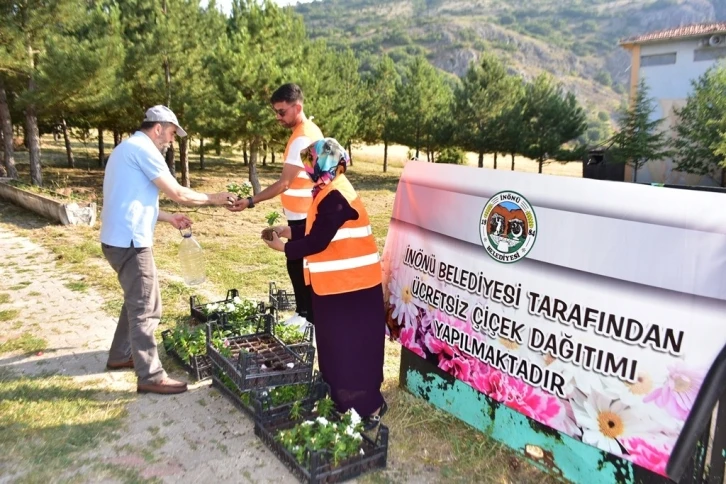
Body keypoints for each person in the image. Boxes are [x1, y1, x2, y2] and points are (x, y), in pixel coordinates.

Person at [100, 105, 235, 395]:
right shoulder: (145, 150)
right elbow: (179, 193)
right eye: (172, 133)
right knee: (147, 306)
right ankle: (150, 375)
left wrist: (168, 218)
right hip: (131, 243)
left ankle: (120, 355)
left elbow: (131, 198)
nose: (172, 140)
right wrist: (215, 198)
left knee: (136, 299)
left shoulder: (126, 148)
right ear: (158, 128)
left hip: (115, 239)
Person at [262, 138, 387, 430]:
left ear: (323, 164)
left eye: (310, 165)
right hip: (337, 289)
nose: (307, 172)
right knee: (336, 348)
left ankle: (367, 408)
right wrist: (290, 230)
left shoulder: (337, 195)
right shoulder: (329, 191)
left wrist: (284, 248)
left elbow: (318, 241)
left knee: (353, 350)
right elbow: (318, 228)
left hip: (352, 290)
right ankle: (341, 403)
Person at [228, 83, 323, 328]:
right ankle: (304, 313)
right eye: (275, 112)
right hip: (301, 212)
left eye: (281, 112)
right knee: (297, 264)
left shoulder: (302, 136)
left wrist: (251, 201)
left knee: (300, 264)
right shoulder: (307, 130)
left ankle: (309, 318)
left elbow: (284, 183)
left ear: (297, 107)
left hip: (304, 213)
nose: (277, 117)